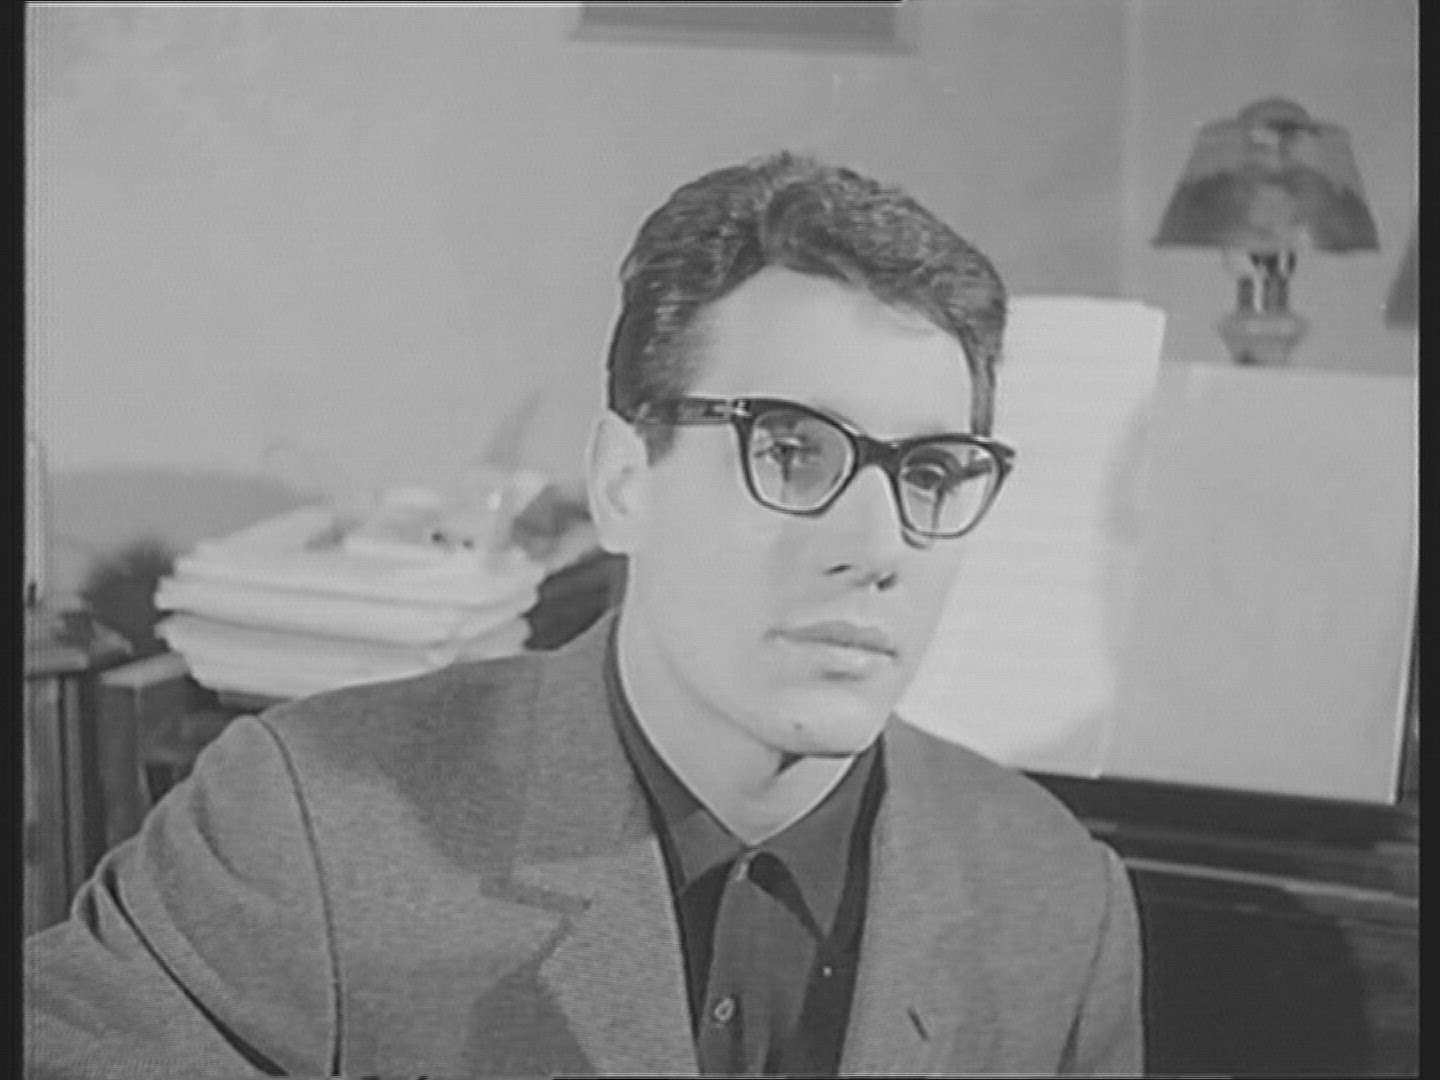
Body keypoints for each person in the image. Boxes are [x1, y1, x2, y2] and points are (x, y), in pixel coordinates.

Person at [25, 151, 1143, 1079]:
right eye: (791, 450)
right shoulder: (306, 826)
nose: (879, 547)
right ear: (623, 483)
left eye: (932, 472)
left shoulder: (1058, 902)